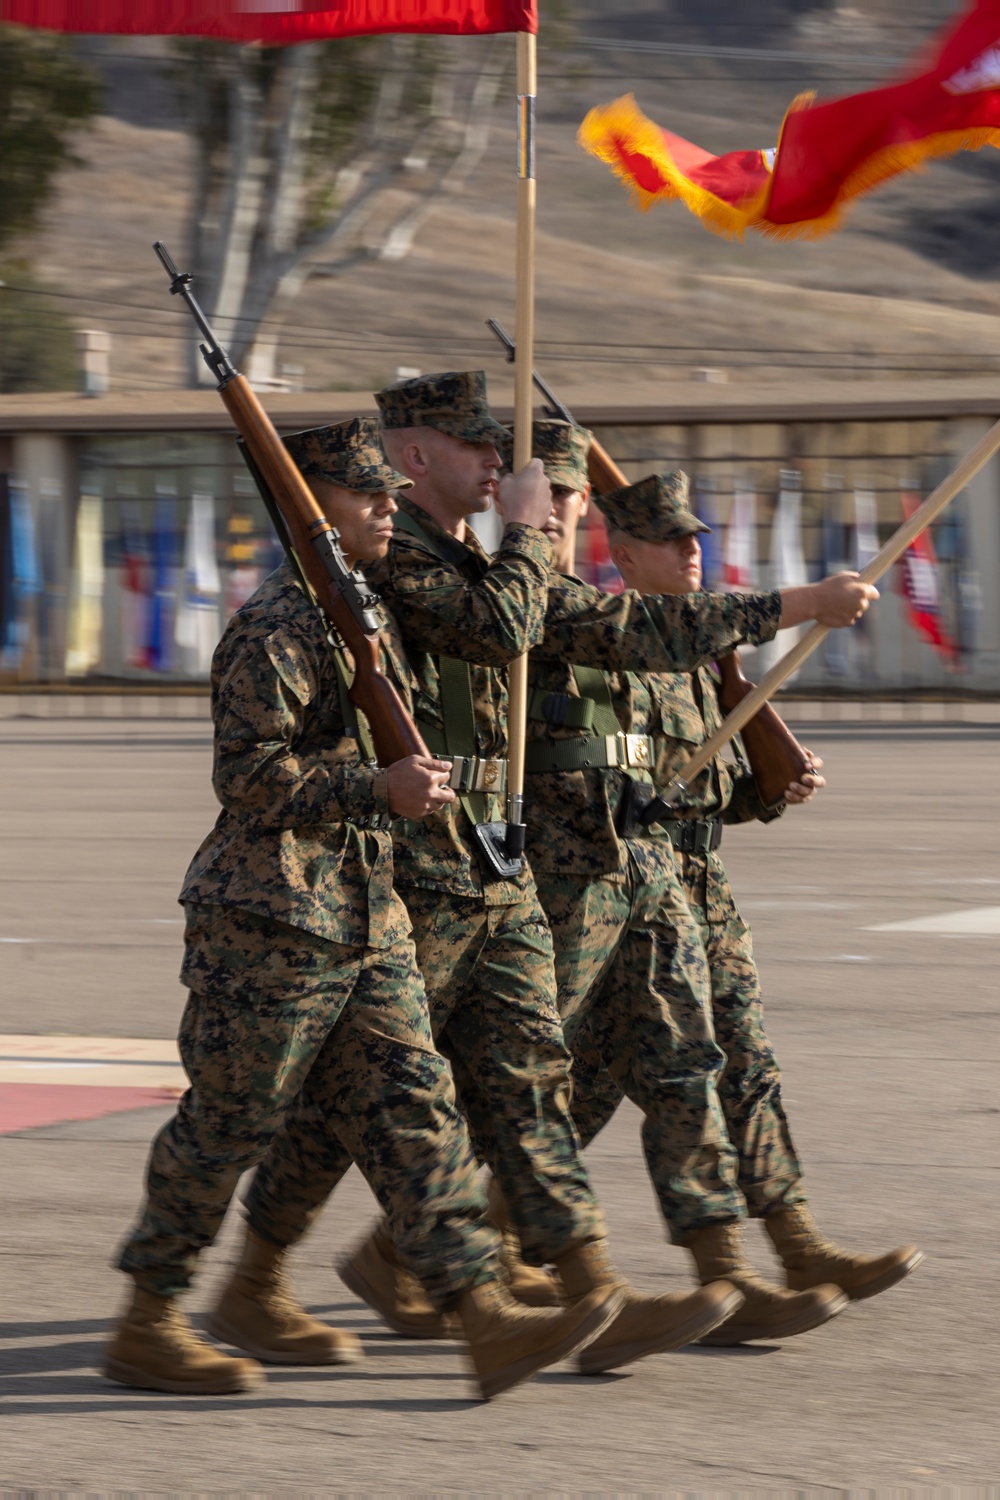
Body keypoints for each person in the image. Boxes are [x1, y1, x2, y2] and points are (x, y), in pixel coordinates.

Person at [242, 372, 877, 1361]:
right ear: (414, 457)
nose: (502, 462)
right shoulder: (403, 561)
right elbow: (496, 628)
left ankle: (626, 1285)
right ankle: (261, 1276)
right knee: (365, 1094)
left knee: (547, 1072)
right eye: (477, 445)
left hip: (492, 861)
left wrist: (792, 608)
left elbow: (625, 630)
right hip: (410, 865)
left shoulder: (485, 561)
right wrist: (532, 537)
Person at [105, 418, 623, 1403]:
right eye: (362, 493)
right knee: (227, 1127)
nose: (387, 504)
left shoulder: (363, 617)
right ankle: (148, 1317)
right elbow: (246, 778)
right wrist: (371, 790)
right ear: (311, 510)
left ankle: (483, 1319)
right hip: (268, 921)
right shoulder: (275, 629)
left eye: (390, 489)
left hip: (365, 912)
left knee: (415, 1111)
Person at [522, 420, 921, 1338]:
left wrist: (769, 787)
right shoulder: (579, 621)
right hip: (578, 889)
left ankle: (761, 1253)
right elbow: (598, 766)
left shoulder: (687, 656)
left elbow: (681, 785)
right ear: (621, 552)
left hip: (673, 890)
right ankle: (447, 1245)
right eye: (669, 540)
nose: (690, 552)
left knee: (710, 1070)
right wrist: (799, 602)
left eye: (697, 539)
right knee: (550, 1088)